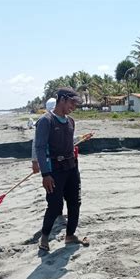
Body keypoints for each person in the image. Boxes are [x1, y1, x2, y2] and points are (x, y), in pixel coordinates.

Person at [35, 88, 91, 251]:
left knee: (75, 203)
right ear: (62, 99)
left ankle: (70, 235)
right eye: (72, 102)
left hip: (72, 168)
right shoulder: (46, 121)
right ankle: (44, 237)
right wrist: (45, 174)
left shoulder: (71, 121)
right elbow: (39, 148)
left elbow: (69, 143)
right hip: (54, 171)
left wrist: (82, 139)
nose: (73, 107)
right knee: (54, 205)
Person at [31, 98, 56, 173]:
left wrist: (80, 137)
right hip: (50, 161)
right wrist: (35, 162)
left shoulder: (65, 120)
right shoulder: (44, 122)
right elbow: (36, 143)